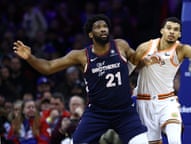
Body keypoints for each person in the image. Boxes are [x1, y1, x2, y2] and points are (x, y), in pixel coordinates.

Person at [13, 14, 148, 144]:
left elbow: (136, 61)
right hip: (97, 112)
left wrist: (147, 58)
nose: (103, 29)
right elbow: (48, 67)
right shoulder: (80, 56)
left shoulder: (120, 45)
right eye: (98, 27)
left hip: (124, 111)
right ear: (90, 34)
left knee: (142, 142)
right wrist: (30, 58)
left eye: (105, 26)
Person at [135, 12, 191, 144]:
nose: (172, 32)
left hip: (167, 102)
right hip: (145, 103)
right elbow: (130, 69)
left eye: (176, 30)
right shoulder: (145, 47)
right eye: (169, 28)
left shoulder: (181, 50)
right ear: (162, 30)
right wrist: (144, 63)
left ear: (179, 35)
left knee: (174, 141)